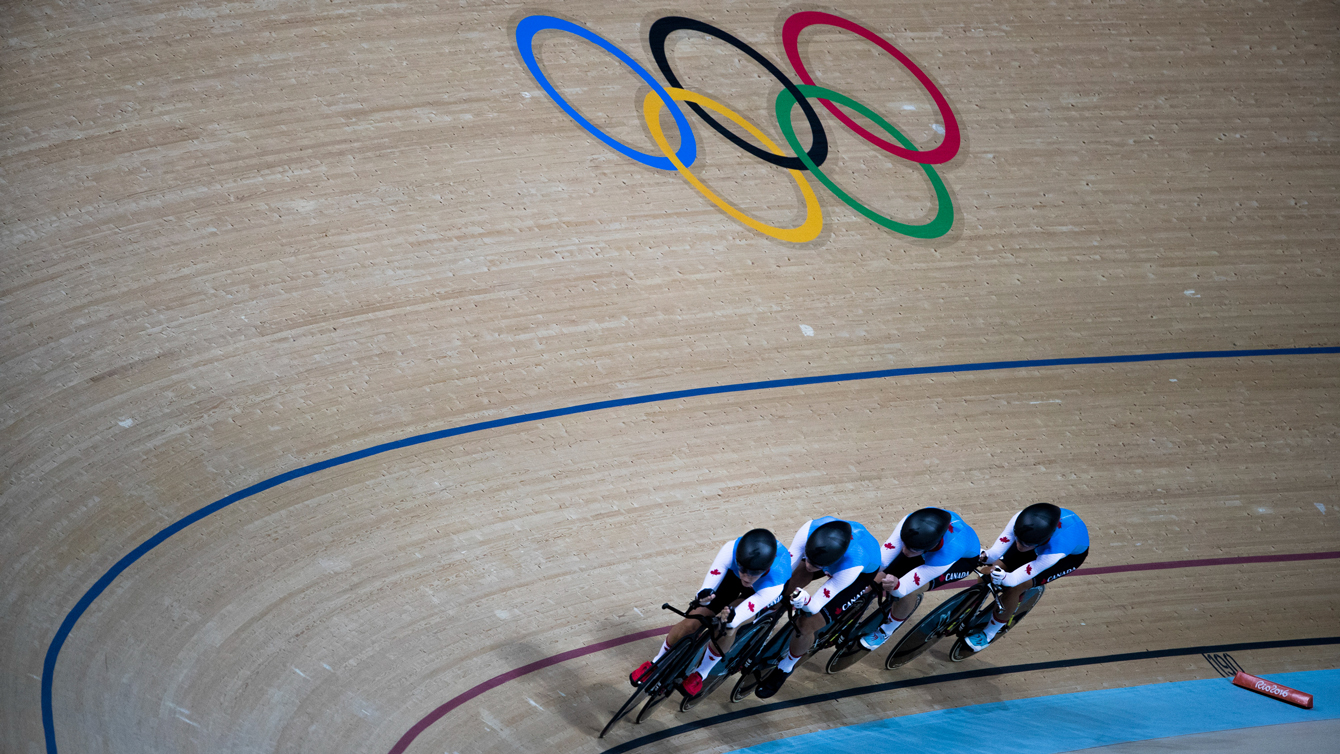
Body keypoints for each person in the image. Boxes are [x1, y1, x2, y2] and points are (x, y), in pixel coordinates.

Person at [630, 528, 791, 696]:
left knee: (728, 626)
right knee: (695, 616)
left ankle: (701, 672)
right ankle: (657, 662)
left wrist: (728, 618)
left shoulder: (775, 580)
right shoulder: (730, 550)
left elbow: (735, 617)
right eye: (743, 569)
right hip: (731, 576)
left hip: (761, 590)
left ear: (765, 569)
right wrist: (704, 596)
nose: (747, 577)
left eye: (753, 573)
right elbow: (708, 586)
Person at [755, 517, 883, 698]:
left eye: (816, 565)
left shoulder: (853, 563)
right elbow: (786, 570)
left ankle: (785, 668)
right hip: (827, 554)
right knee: (789, 582)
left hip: (861, 573)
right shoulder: (809, 529)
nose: (809, 565)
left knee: (806, 623)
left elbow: (816, 604)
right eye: (809, 559)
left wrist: (805, 601)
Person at [963, 503, 1090, 652]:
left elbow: (1014, 579)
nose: (1019, 546)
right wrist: (985, 557)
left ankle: (989, 633)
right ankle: (969, 607)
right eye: (1018, 539)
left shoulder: (1058, 547)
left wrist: (1005, 578)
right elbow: (995, 554)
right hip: (1036, 540)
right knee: (987, 573)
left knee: (1015, 587)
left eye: (1025, 544)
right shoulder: (1021, 520)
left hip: (1066, 558)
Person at [859, 507, 982, 649]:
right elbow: (882, 562)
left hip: (959, 561)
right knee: (879, 570)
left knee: (909, 591)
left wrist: (896, 585)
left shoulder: (948, 552)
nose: (904, 551)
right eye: (904, 545)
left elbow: (903, 588)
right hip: (924, 547)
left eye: (911, 549)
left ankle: (886, 631)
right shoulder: (910, 523)